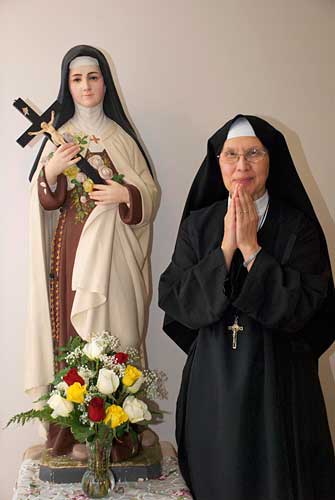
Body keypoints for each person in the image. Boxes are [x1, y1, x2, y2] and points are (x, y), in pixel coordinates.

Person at [158, 115, 335, 500]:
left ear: (272, 161)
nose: (242, 166)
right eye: (231, 155)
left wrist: (253, 250)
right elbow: (175, 299)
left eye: (253, 153)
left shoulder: (298, 227)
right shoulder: (198, 226)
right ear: (217, 163)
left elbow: (308, 307)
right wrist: (224, 248)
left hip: (281, 384)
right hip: (213, 383)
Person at [26, 45, 158, 455]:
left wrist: (127, 193)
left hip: (115, 256)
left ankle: (119, 428)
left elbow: (149, 194)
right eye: (77, 79)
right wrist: (49, 171)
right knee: (73, 332)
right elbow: (44, 200)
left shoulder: (122, 138)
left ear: (106, 83)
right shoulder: (59, 137)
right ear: (68, 85)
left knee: (116, 332)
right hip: (72, 252)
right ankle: (73, 429)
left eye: (93, 77)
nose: (86, 86)